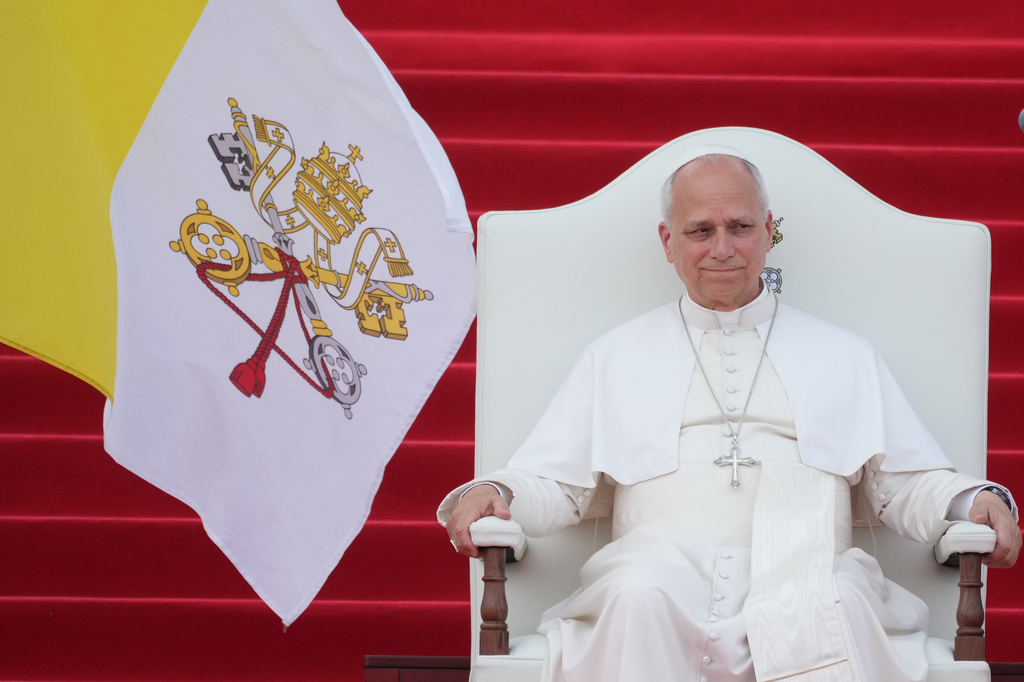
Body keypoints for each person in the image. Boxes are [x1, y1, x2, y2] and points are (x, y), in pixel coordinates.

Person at [438, 148, 1021, 682]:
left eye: (741, 227)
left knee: (837, 592)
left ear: (768, 233)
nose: (723, 248)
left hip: (807, 562)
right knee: (637, 591)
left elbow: (905, 483)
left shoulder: (844, 354)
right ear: (668, 241)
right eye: (700, 231)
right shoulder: (614, 355)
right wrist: (496, 488)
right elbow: (554, 482)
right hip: (658, 569)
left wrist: (973, 500)